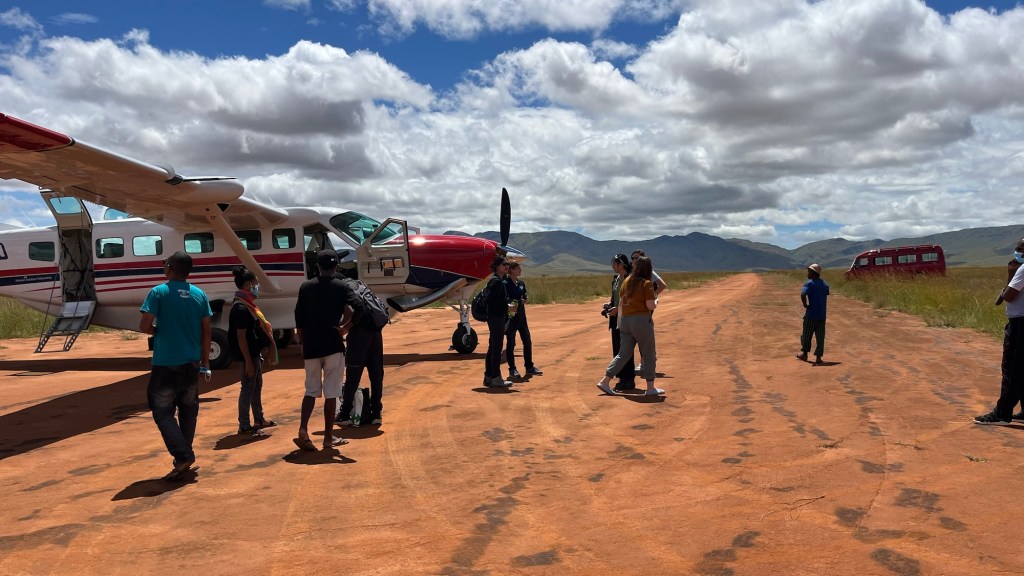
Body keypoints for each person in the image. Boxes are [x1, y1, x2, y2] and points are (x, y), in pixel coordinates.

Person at [138, 251, 212, 481]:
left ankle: (183, 455)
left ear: (170, 268)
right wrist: (205, 361)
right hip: (192, 362)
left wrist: (156, 331)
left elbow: (144, 325)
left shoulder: (158, 292)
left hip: (166, 363)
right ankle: (183, 458)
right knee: (188, 410)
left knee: (162, 411)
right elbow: (207, 331)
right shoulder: (199, 295)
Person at [293, 249, 354, 449]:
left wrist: (303, 343)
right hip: (333, 345)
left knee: (311, 390)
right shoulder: (341, 286)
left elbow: (299, 318)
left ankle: (303, 429)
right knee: (331, 393)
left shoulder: (306, 287)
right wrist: (345, 327)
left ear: (317, 266)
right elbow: (358, 308)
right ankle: (328, 438)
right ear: (336, 266)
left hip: (311, 346)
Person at [596, 256, 662, 396]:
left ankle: (605, 381)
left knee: (623, 354)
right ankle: (650, 388)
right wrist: (656, 301)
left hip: (625, 321)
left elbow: (621, 302)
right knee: (649, 353)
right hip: (641, 321)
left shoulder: (626, 281)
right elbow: (650, 306)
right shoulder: (646, 283)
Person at [975, 239, 1024, 425]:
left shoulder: (1023, 269)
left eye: (1020, 249)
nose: (1017, 252)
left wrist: (1011, 275)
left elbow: (1007, 297)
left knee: (1012, 369)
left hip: (1020, 324)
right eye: (1016, 248)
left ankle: (1002, 413)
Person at [228, 266, 278, 435]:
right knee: (248, 388)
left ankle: (259, 418)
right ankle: (244, 424)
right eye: (256, 282)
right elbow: (241, 337)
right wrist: (248, 361)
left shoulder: (247, 305)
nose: (258, 286)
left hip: (254, 354)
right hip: (248, 355)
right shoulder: (241, 308)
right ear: (249, 284)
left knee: (256, 387)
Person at [337, 277, 386, 427]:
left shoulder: (343, 288)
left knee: (353, 376)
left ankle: (345, 415)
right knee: (376, 375)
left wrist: (344, 327)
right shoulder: (359, 284)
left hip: (359, 336)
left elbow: (353, 310)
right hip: (376, 334)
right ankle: (376, 413)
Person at [504, 261, 542, 380]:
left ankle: (529, 366)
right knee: (511, 343)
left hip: (521, 317)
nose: (520, 270)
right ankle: (512, 369)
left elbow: (524, 295)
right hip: (511, 317)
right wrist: (511, 302)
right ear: (511, 270)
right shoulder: (505, 283)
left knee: (527, 342)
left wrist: (525, 299)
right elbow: (504, 298)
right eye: (518, 269)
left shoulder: (521, 283)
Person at [605, 254, 636, 391]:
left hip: (626, 319)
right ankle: (622, 379)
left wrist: (617, 310)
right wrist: (609, 305)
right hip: (615, 320)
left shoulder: (631, 279)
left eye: (614, 263)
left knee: (626, 350)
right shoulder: (616, 279)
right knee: (617, 349)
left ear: (621, 264)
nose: (612, 266)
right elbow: (616, 298)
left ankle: (629, 380)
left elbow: (630, 300)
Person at [483, 257, 513, 388]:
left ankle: (489, 377)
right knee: (496, 348)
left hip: (495, 317)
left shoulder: (496, 280)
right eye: (503, 264)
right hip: (496, 317)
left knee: (493, 347)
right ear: (496, 266)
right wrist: (507, 307)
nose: (506, 266)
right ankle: (495, 377)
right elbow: (490, 300)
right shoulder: (496, 282)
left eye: (507, 264)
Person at [796, 263, 829, 365]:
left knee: (806, 335)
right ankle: (818, 358)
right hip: (822, 315)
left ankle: (804, 354)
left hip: (811, 315)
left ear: (813, 273)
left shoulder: (809, 283)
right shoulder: (825, 284)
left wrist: (805, 304)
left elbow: (803, 294)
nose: (808, 273)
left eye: (809, 271)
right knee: (820, 337)